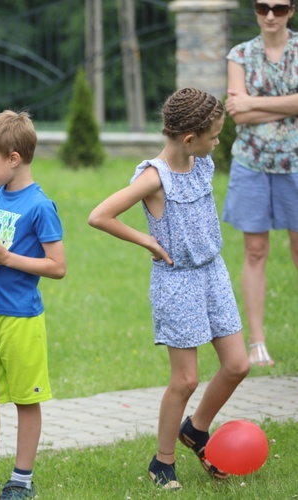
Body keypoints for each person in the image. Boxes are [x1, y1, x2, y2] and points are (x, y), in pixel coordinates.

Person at [88, 88, 250, 490]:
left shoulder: (200, 163)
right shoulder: (153, 177)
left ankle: (196, 429)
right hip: (178, 283)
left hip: (214, 273)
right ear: (189, 137)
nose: (217, 143)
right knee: (186, 380)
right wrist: (148, 241)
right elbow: (99, 215)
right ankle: (162, 462)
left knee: (237, 365)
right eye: (214, 136)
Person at [0, 110, 66, 499]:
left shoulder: (40, 206)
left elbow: (58, 266)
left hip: (21, 318)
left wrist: (8, 258)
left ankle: (21, 481)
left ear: (14, 158)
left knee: (25, 399)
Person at [224, 0, 298, 367]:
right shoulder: (239, 54)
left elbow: (245, 106)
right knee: (254, 251)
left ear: (292, 11)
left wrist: (254, 104)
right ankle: (257, 342)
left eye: (280, 7)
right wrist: (288, 105)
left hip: (296, 164)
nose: (270, 15)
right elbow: (236, 111)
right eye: (262, 6)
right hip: (251, 164)